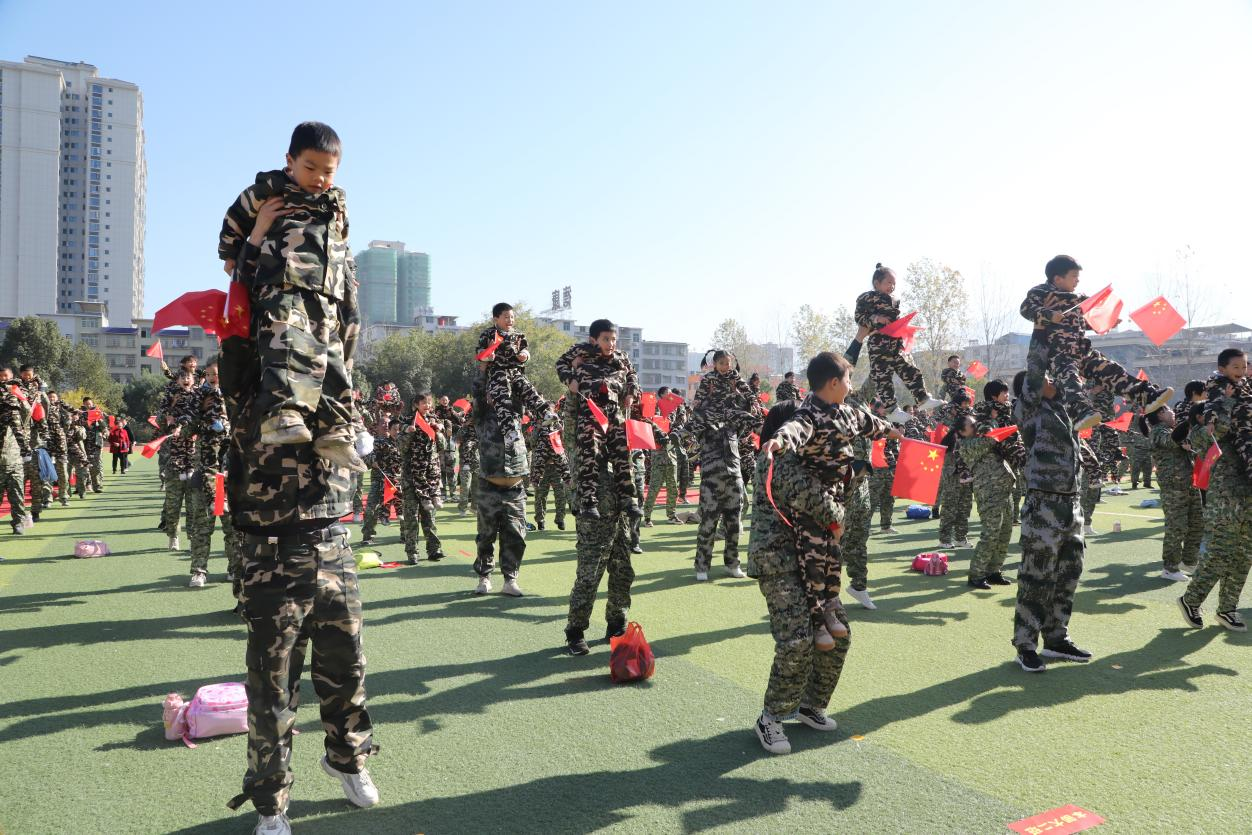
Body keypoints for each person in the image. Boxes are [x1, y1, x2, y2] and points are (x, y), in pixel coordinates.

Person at [221, 127, 378, 829]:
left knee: (346, 666)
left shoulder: (328, 360)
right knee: (272, 684)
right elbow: (247, 289)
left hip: (328, 528)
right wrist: (258, 236)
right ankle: (272, 801)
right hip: (268, 538)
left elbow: (341, 330)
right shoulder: (248, 367)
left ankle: (348, 758)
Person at [217, 121, 365, 473]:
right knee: (285, 348)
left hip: (326, 294)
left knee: (331, 360)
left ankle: (335, 430)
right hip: (282, 286)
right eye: (310, 168)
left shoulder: (336, 201)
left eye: (328, 171)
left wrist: (348, 274)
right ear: (290, 161)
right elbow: (233, 222)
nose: (319, 178)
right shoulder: (270, 190)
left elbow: (343, 241)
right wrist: (231, 254)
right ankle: (282, 414)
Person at [763, 354, 898, 649]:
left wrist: (894, 432)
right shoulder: (809, 414)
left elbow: (872, 423)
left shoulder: (847, 412)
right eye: (848, 380)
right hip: (812, 502)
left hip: (838, 498)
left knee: (833, 557)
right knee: (813, 560)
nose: (850, 386)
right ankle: (816, 621)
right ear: (834, 383)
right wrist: (778, 440)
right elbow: (794, 429)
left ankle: (830, 607)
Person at [749, 394, 854, 755]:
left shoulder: (812, 460)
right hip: (778, 562)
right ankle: (771, 717)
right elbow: (814, 499)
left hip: (814, 561)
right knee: (796, 639)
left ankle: (811, 705)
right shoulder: (775, 458)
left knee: (840, 633)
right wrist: (838, 515)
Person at [1019, 254, 1172, 431]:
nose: (1077, 281)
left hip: (1082, 350)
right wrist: (1048, 314)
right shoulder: (1041, 292)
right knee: (1070, 381)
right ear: (1058, 278)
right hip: (1058, 354)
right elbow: (1026, 309)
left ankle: (1145, 395)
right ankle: (1080, 412)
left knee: (1110, 370)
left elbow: (1085, 320)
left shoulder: (1079, 298)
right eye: (1073, 276)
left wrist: (1108, 322)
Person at [1011, 334, 1091, 672]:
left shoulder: (1064, 410)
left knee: (1068, 574)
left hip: (1071, 504)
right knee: (1036, 577)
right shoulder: (1028, 409)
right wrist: (1044, 331)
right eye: (1046, 378)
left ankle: (1056, 638)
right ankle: (1025, 644)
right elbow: (1035, 367)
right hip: (1043, 505)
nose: (1052, 381)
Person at [1178, 348, 1252, 632]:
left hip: (1247, 490)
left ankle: (1227, 609)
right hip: (1226, 496)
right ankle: (1191, 600)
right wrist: (1227, 404)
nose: (1242, 371)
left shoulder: (1244, 417)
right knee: (1220, 552)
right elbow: (1213, 433)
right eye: (1236, 366)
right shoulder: (1204, 422)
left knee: (1244, 554)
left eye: (1244, 366)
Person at [555, 319, 640, 520]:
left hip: (613, 412)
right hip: (590, 412)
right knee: (589, 453)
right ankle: (588, 502)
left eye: (613, 339)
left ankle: (628, 500)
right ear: (593, 340)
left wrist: (631, 393)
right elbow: (560, 363)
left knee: (623, 453)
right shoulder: (581, 351)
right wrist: (570, 379)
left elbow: (632, 375)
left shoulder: (621, 357)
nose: (611, 344)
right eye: (606, 339)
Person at [690, 350, 760, 581]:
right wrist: (704, 413)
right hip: (712, 477)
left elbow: (750, 415)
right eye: (721, 363)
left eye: (728, 363)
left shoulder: (734, 415)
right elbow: (692, 421)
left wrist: (746, 406)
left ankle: (732, 563)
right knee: (708, 523)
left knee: (734, 523)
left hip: (733, 473)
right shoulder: (702, 414)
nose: (725, 367)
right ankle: (702, 566)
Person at [853, 263, 944, 423]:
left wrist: (904, 327)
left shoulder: (895, 300)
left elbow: (895, 319)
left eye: (894, 283)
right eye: (888, 282)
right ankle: (892, 410)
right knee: (883, 378)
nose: (892, 286)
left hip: (896, 341)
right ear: (877, 283)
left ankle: (922, 398)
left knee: (910, 369)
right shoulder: (866, 298)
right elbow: (859, 317)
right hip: (878, 344)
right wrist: (876, 319)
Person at [470, 375, 529, 597]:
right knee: (486, 536)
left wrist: (513, 365)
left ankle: (510, 579)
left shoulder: (515, 414)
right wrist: (484, 370)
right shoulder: (482, 417)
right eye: (492, 392)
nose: (497, 396)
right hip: (489, 486)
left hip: (515, 488)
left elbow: (519, 385)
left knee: (515, 536)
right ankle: (484, 577)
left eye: (501, 391)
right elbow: (477, 392)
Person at [963, 380, 1024, 589]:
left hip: (1004, 484)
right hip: (988, 488)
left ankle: (994, 570)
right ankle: (976, 575)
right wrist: (993, 421)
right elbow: (990, 438)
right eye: (1003, 393)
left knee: (1005, 531)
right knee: (990, 532)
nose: (1007, 396)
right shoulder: (972, 438)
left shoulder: (999, 420)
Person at [187, 364, 237, 589]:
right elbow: (185, 430)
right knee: (202, 528)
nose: (213, 377)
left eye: (217, 373)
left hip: (230, 476)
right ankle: (199, 571)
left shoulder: (235, 394)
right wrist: (200, 418)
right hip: (206, 477)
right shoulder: (197, 397)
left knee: (233, 528)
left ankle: (235, 569)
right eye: (209, 374)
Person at [477, 303, 549, 447]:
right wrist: (488, 355)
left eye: (512, 317)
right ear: (496, 319)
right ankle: (509, 431)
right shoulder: (488, 334)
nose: (510, 320)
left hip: (515, 371)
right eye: (506, 317)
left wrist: (524, 356)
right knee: (502, 399)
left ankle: (545, 412)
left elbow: (525, 350)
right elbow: (480, 354)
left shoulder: (518, 335)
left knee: (528, 390)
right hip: (498, 372)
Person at [1145, 408, 1201, 582]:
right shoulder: (1158, 431)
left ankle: (1189, 562)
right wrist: (1190, 420)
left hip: (1189, 483)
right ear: (1160, 413)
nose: (1173, 413)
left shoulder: (1172, 430)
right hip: (1174, 488)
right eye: (1169, 410)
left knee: (1197, 523)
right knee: (1177, 527)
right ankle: (1170, 568)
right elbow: (1171, 441)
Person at [399, 394, 446, 565]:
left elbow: (442, 446)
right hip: (411, 478)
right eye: (424, 402)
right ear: (416, 404)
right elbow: (401, 448)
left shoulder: (434, 420)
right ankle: (412, 552)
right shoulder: (406, 421)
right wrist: (409, 433)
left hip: (429, 477)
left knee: (430, 516)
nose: (427, 405)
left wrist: (438, 432)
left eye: (429, 402)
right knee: (411, 518)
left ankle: (434, 549)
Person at [157, 371, 198, 552]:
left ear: (194, 380)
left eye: (189, 377)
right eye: (183, 377)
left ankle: (192, 538)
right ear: (178, 380)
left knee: (193, 505)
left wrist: (185, 425)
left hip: (193, 461)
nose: (186, 379)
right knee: (173, 504)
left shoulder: (199, 398)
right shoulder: (169, 398)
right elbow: (160, 421)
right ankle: (173, 536)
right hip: (173, 462)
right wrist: (170, 412)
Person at [360, 421, 403, 547]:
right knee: (371, 509)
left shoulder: (406, 443)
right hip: (379, 481)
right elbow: (366, 458)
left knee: (405, 509)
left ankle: (406, 535)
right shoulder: (379, 442)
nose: (397, 432)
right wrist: (372, 461)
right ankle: (368, 536)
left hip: (399, 482)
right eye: (394, 429)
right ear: (390, 430)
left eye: (399, 429)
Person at [531, 402, 569, 532]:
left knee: (560, 495)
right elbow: (532, 442)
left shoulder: (559, 424)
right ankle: (540, 520)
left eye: (551, 410)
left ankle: (560, 519)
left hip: (557, 467)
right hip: (542, 468)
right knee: (540, 496)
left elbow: (566, 441)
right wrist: (538, 427)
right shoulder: (537, 424)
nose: (549, 413)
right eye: (546, 411)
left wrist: (561, 429)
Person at [0, 377, 31, 535]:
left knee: (17, 496)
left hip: (14, 461)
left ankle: (18, 522)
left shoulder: (17, 414)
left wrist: (19, 396)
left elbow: (27, 413)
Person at [81, 397, 107, 493]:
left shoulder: (97, 413)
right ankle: (86, 485)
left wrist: (105, 433)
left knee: (96, 465)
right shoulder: (81, 414)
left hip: (96, 443)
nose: (88, 405)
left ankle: (97, 485)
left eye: (89, 403)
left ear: (92, 404)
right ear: (84, 404)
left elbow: (104, 427)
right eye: (86, 404)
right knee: (85, 464)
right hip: (84, 443)